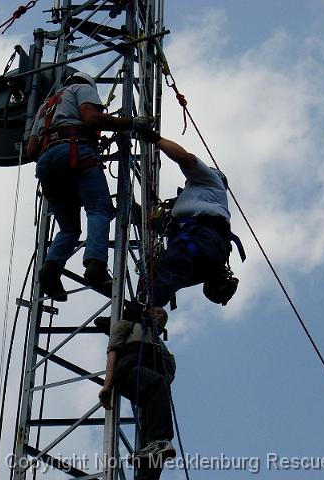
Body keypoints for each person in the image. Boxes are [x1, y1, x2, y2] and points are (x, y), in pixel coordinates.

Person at [27, 72, 152, 300]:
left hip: (47, 164)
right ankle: (95, 265)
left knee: (69, 229)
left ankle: (50, 269)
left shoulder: (45, 106)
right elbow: (92, 120)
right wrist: (131, 123)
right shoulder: (81, 89)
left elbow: (31, 151)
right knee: (99, 209)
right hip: (75, 152)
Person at [139, 131, 239, 308]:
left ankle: (139, 316)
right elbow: (156, 224)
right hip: (205, 251)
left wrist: (154, 138)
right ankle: (141, 318)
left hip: (199, 241)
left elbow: (185, 159)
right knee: (161, 280)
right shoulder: (193, 203)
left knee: (168, 272)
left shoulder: (210, 180)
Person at [99, 307, 176, 479]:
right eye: (157, 312)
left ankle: (148, 470)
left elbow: (169, 374)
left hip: (148, 389)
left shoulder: (163, 349)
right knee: (158, 384)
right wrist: (107, 384)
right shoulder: (129, 326)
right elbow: (113, 351)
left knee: (150, 438)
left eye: (163, 317)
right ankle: (159, 441)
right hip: (130, 371)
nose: (160, 316)